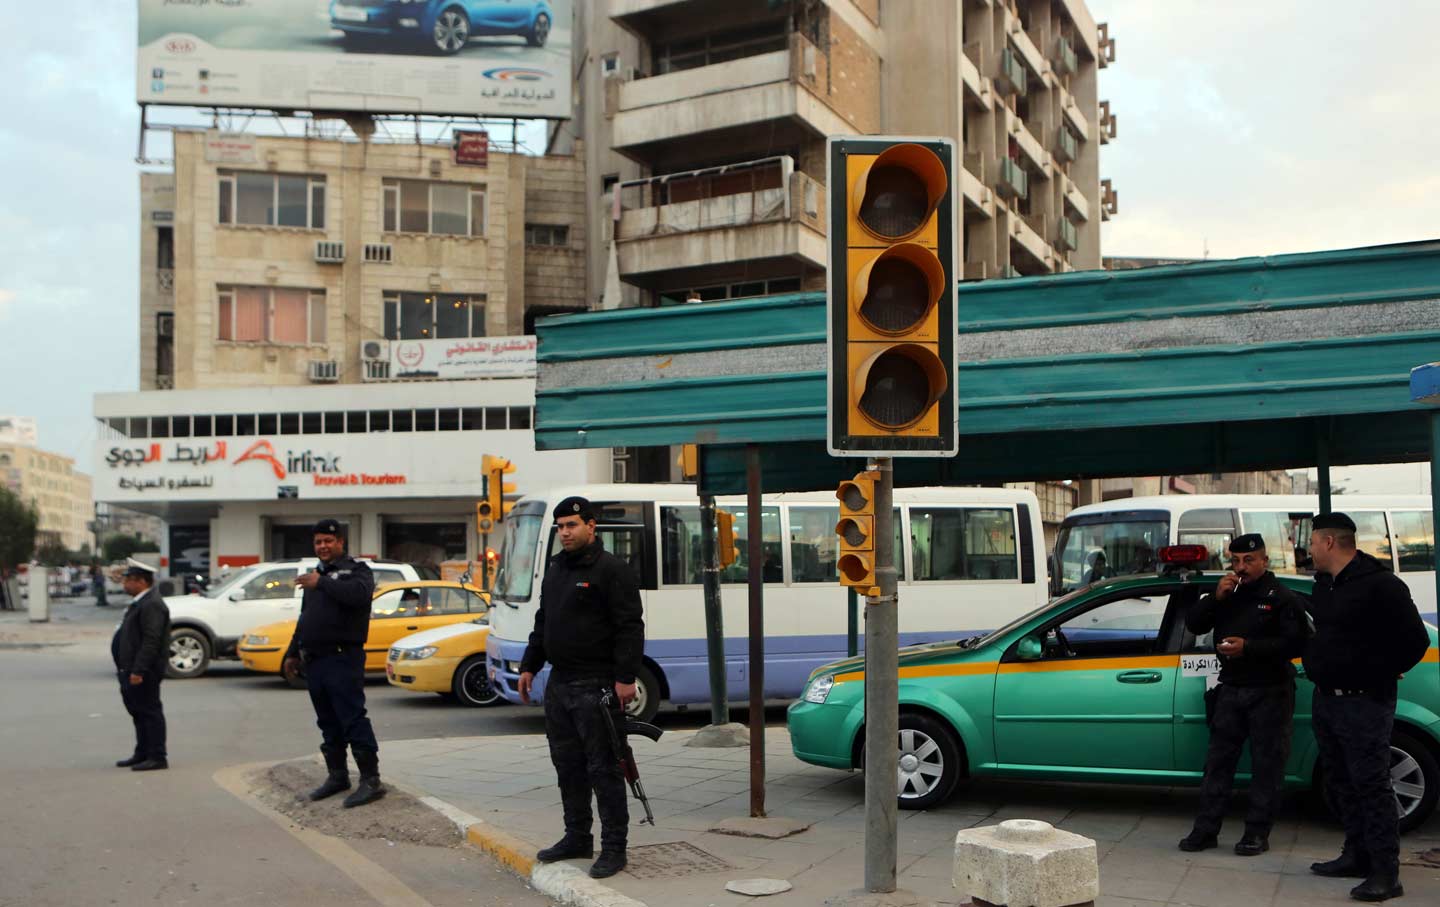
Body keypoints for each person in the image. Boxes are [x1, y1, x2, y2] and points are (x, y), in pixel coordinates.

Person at [517, 497, 645, 879]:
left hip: (597, 683)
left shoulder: (612, 570)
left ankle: (614, 848)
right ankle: (576, 836)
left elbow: (630, 626)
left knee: (603, 768)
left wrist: (625, 678)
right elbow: (544, 621)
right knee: (567, 765)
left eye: (571, 525)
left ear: (592, 526)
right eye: (560, 526)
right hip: (559, 683)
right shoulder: (556, 568)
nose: (564, 532)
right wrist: (529, 664)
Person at [1304, 513, 1430, 902]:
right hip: (1327, 699)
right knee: (1341, 783)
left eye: (1311, 542)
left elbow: (1415, 641)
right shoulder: (1326, 587)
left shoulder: (1382, 586)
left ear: (1328, 542)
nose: (1307, 549)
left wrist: (1381, 671)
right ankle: (1355, 855)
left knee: (1372, 786)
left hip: (1365, 702)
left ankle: (1385, 873)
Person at [1178, 534, 1309, 856]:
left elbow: (1296, 644)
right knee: (1218, 763)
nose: (1241, 567)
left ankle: (1256, 834)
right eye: (1235, 561)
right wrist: (1215, 599)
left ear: (1264, 561)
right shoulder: (1228, 593)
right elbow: (1193, 624)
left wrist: (1248, 647)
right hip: (1232, 688)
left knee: (1267, 766)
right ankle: (1206, 830)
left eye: (1248, 561)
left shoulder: (1281, 597)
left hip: (1270, 690)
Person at [281, 519, 383, 808]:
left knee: (352, 718)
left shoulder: (357, 571)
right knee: (327, 721)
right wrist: (291, 653)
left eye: (328, 541)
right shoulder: (317, 576)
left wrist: (322, 583)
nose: (323, 547)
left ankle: (371, 780)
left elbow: (359, 596)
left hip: (343, 658)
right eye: (318, 542)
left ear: (340, 542)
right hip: (315, 660)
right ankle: (337, 776)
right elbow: (306, 619)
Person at [112, 559, 171, 771]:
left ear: (141, 582)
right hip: (130, 669)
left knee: (149, 712)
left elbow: (151, 640)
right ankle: (142, 752)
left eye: (127, 580)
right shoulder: (141, 601)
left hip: (143, 671)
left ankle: (157, 756)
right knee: (138, 712)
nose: (124, 584)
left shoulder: (152, 604)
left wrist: (139, 670)